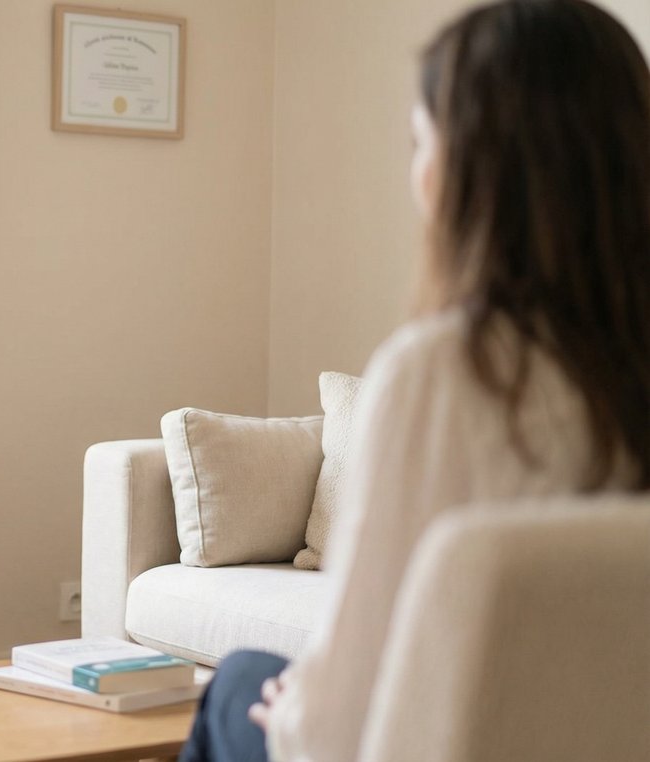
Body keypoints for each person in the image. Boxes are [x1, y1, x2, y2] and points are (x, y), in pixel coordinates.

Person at [181, 1, 650, 760]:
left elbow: (346, 720)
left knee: (238, 684)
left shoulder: (445, 373)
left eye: (419, 142)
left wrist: (294, 708)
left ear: (463, 172)